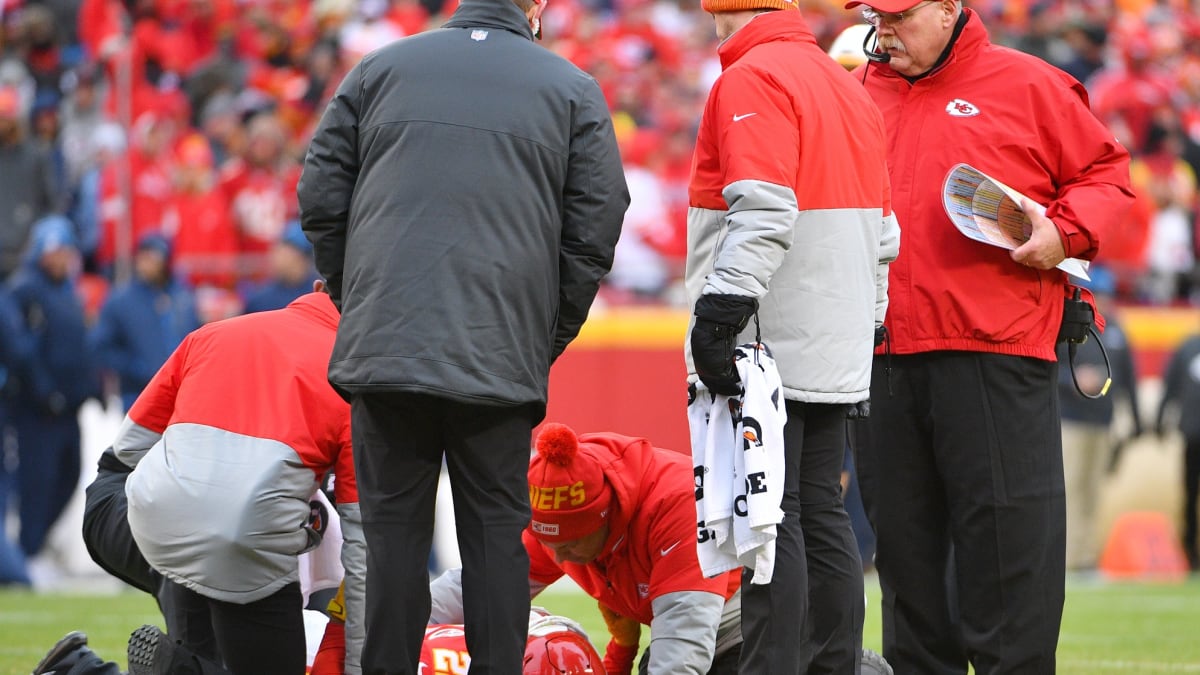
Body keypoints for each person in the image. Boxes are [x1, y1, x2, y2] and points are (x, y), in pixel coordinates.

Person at [296, 0, 630, 670]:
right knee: (495, 540)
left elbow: (319, 194)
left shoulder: (379, 68)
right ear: (534, 5)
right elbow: (596, 230)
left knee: (390, 544)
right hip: (498, 353)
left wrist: (360, 298)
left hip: (388, 349)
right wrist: (539, 336)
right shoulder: (571, 89)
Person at [843, 0, 1135, 671]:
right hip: (881, 358)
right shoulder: (854, 93)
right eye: (874, 13)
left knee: (1010, 571)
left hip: (993, 354)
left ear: (949, 8)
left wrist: (1063, 231)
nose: (884, 27)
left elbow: (1109, 178)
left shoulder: (1029, 85)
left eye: (900, 14)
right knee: (910, 579)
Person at [683, 0, 899, 672]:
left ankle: (776, 663)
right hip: (834, 327)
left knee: (771, 520)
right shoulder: (844, 83)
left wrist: (722, 308)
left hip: (773, 329)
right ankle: (835, 662)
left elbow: (765, 206)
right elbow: (883, 232)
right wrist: (870, 315)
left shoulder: (752, 76)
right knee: (823, 512)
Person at [97, 283, 361, 675]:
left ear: (317, 287)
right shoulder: (354, 379)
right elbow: (365, 541)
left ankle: (125, 667)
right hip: (239, 541)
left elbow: (127, 451)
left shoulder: (212, 335)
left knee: (206, 541)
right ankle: (181, 668)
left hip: (129, 511)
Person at [6, 214, 99, 564]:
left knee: (70, 476)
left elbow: (78, 346)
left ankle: (34, 545)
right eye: (56, 250)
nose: (63, 258)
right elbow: (21, 350)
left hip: (68, 406)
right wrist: (44, 391)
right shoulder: (25, 289)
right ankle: (27, 551)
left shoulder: (67, 291)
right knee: (37, 481)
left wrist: (90, 386)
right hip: (37, 409)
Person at [1056, 266, 1143, 573]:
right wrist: (1074, 380)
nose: (1104, 301)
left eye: (1107, 295)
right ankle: (1065, 558)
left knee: (1093, 490)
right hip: (1071, 420)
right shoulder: (1070, 325)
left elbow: (1129, 377)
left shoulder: (1117, 330)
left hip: (1103, 421)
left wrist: (1135, 418)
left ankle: (1086, 557)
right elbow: (1051, 371)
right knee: (1069, 488)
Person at [88, 232, 200, 412]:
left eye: (153, 256)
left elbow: (196, 338)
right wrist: (136, 367)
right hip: (138, 396)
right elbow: (100, 346)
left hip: (182, 397)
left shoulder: (182, 297)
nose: (146, 263)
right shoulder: (120, 301)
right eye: (143, 256)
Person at [1156, 324, 1200, 572]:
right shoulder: (1187, 347)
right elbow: (1171, 385)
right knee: (1190, 494)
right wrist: (1161, 418)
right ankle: (1190, 551)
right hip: (1192, 433)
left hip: (1191, 430)